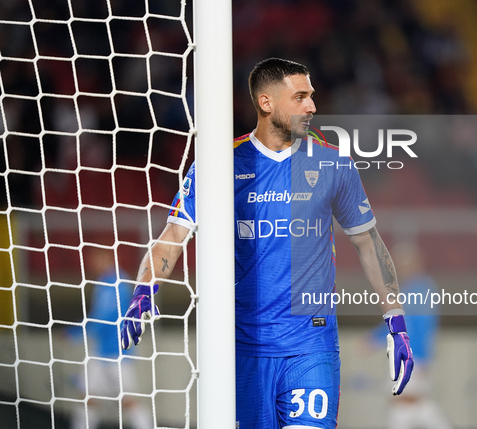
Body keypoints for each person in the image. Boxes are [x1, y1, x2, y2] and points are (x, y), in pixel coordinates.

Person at [120, 57, 414, 429]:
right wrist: (144, 289)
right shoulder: (220, 164)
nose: (312, 106)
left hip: (311, 346)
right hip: (243, 350)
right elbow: (174, 235)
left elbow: (368, 243)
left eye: (311, 97)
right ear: (266, 102)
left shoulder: (332, 162)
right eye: (301, 97)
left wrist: (396, 319)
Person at [369, 243, 452, 429]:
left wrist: (372, 340)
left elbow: (412, 326)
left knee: (405, 400)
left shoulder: (418, 290)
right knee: (408, 401)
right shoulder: (416, 289)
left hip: (412, 356)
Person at [70, 246, 153, 429]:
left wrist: (74, 333)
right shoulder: (107, 281)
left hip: (117, 352)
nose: (93, 264)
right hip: (101, 352)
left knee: (127, 401)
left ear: (107, 258)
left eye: (96, 259)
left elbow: (103, 316)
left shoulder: (115, 283)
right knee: (88, 397)